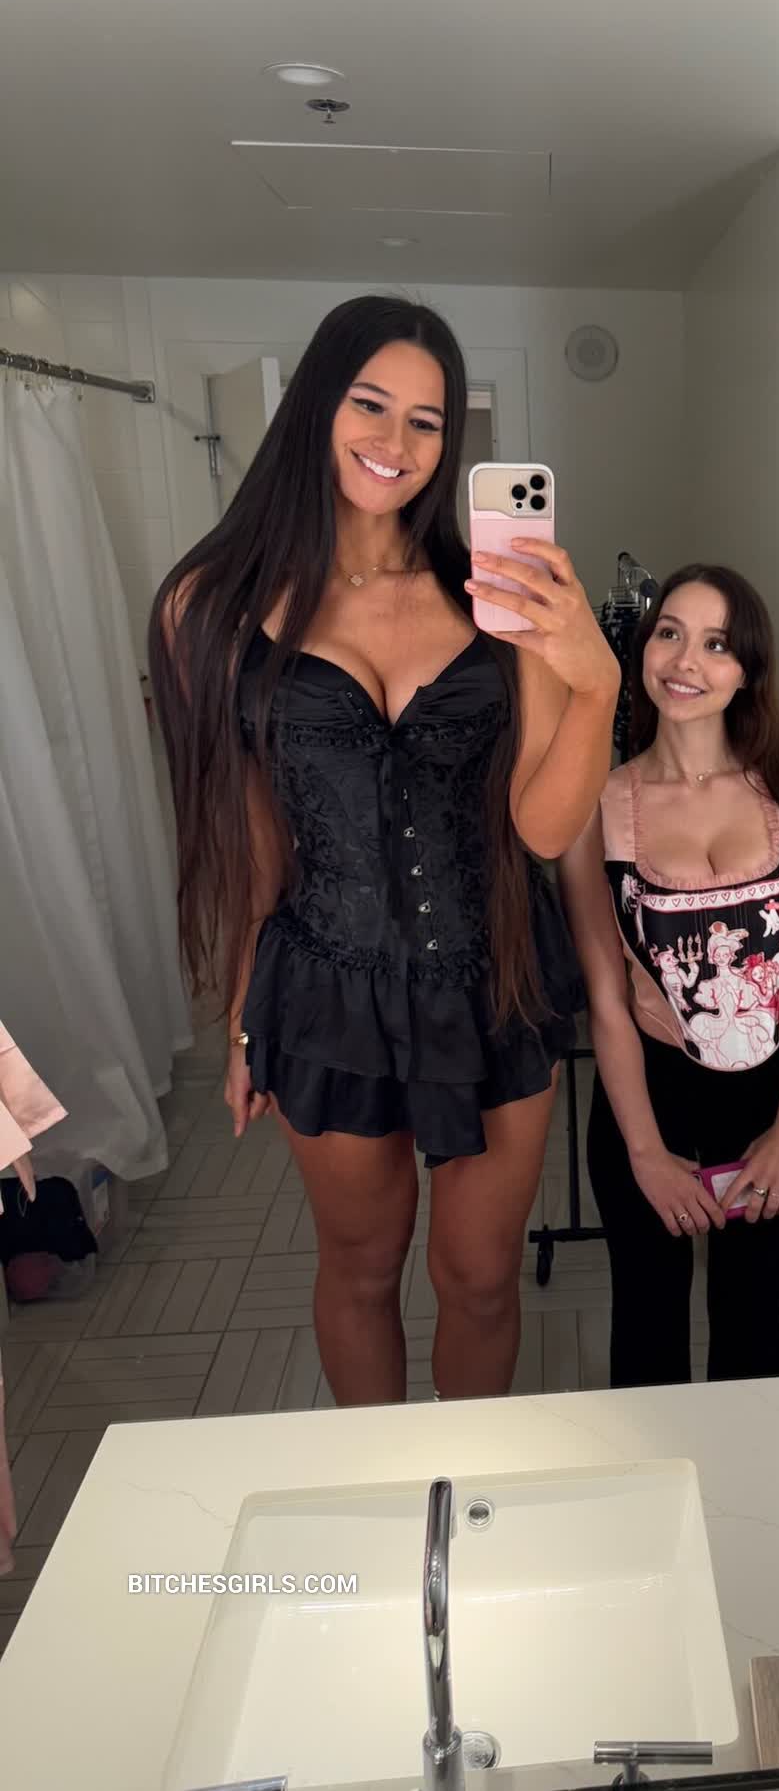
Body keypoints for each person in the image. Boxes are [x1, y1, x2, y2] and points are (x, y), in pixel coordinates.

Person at [148, 295, 619, 1406]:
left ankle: (464, 1481)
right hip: (327, 986)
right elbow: (252, 835)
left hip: (492, 978)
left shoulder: (499, 595)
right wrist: (245, 1012)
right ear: (319, 404)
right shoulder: (211, 605)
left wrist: (596, 678)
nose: (395, 441)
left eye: (427, 420)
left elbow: (544, 828)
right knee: (360, 1269)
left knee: (480, 1278)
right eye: (370, 404)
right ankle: (380, 1488)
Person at [558, 565, 779, 1386]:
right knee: (647, 1329)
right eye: (669, 633)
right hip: (645, 1104)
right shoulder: (595, 805)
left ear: (747, 669)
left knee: (751, 1328)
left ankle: (741, 1475)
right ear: (642, 649)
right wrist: (646, 1153)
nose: (686, 661)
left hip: (769, 1109)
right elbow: (605, 999)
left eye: (717, 644)